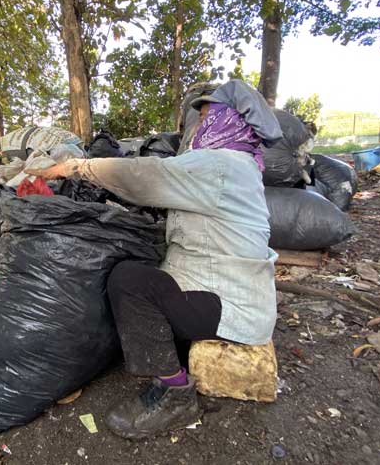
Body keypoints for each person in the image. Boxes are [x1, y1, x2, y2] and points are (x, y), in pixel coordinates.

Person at [27, 79, 283, 439]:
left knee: (128, 281)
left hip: (231, 304)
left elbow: (142, 176)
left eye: (209, 116)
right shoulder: (237, 165)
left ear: (230, 121)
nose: (200, 125)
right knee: (146, 269)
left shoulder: (221, 165)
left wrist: (74, 168)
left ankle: (175, 393)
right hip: (224, 289)